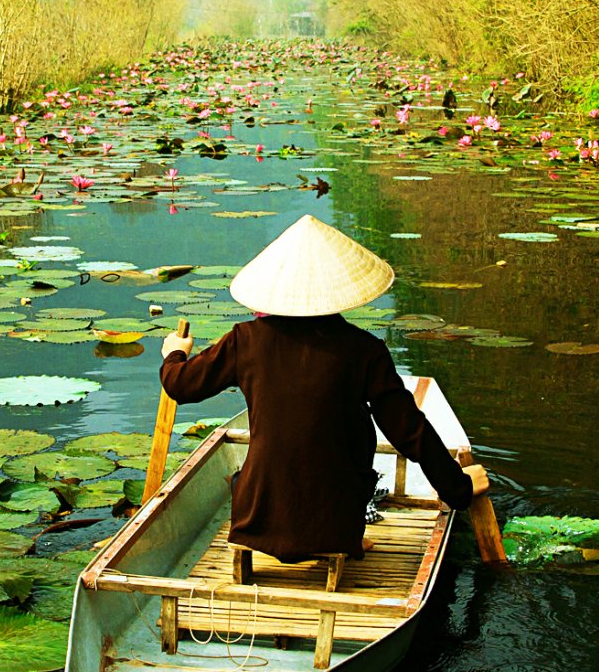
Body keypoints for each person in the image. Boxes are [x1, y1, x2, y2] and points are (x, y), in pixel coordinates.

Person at [159, 215, 488, 584]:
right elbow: (409, 431)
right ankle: (352, 533)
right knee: (357, 432)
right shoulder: (365, 350)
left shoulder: (245, 340)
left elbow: (180, 385)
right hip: (335, 519)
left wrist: (175, 353)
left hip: (259, 515)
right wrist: (456, 490)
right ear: (338, 291)